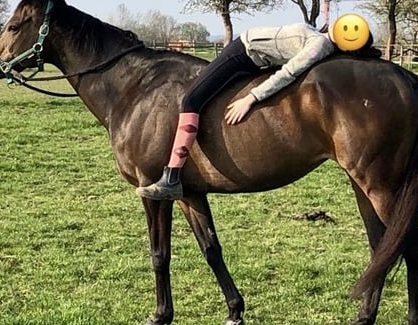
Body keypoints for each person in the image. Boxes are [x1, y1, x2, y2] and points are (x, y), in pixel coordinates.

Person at [136, 14, 372, 201]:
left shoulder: (318, 46)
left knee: (190, 100)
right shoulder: (321, 38)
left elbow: (289, 73)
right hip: (252, 57)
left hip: (243, 52)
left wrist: (251, 98)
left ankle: (172, 175)